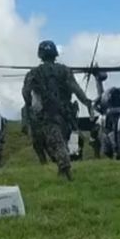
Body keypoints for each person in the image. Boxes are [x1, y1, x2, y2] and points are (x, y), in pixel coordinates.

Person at [20, 40, 95, 180]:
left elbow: (26, 94)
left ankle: (65, 168)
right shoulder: (64, 71)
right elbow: (76, 89)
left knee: (56, 143)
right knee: (66, 141)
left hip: (47, 116)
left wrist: (31, 108)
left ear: (40, 55)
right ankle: (65, 167)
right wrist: (87, 102)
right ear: (55, 54)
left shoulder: (34, 73)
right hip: (66, 115)